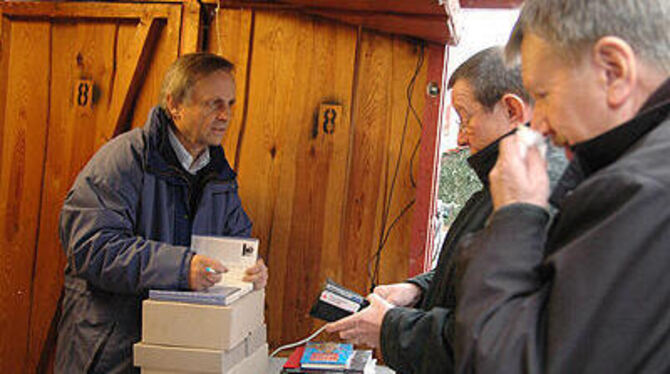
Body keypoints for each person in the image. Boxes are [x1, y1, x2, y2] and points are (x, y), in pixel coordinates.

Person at [454, 1, 670, 373]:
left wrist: (516, 215)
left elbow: (514, 364)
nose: (537, 124)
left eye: (544, 95)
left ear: (613, 71)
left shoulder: (639, 191)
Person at [327, 47, 565, 373]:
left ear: (511, 109)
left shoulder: (536, 201)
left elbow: (490, 343)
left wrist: (391, 328)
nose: (461, 137)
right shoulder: (502, 186)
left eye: (465, 118)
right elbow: (475, 279)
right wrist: (418, 290)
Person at [54, 53, 268, 373]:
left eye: (231, 104)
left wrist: (250, 269)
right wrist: (182, 269)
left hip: (177, 350)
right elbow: (91, 247)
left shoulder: (220, 176)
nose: (226, 115)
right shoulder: (123, 160)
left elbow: (236, 241)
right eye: (214, 103)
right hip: (110, 353)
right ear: (175, 104)